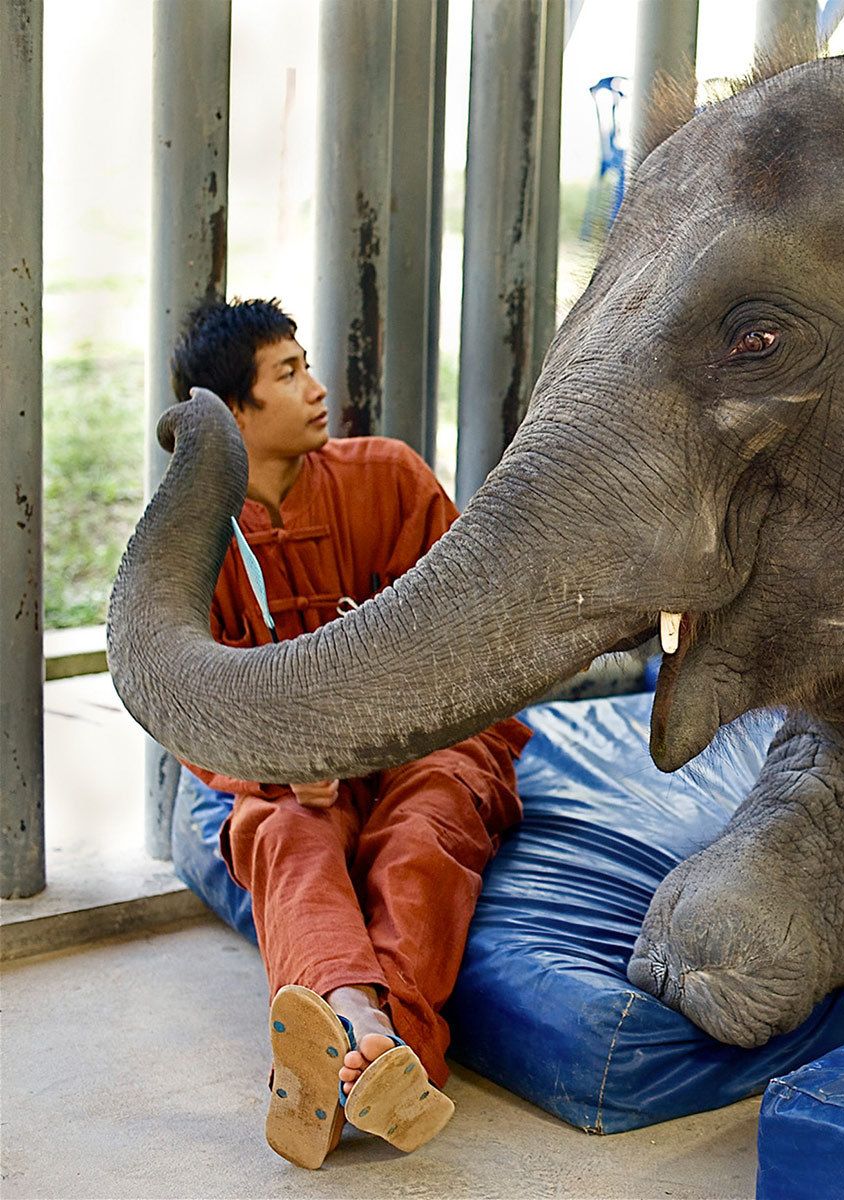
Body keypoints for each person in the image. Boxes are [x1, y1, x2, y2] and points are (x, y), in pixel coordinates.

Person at [168, 298, 531, 1169]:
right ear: (231, 413)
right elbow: (189, 707)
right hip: (291, 781)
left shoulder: (390, 477)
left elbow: (466, 640)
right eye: (288, 375)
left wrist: (370, 741)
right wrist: (284, 772)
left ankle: (344, 1045)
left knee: (423, 834)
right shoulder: (192, 540)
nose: (318, 389)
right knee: (283, 836)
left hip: (432, 742)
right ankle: (371, 1044)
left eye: (308, 364)